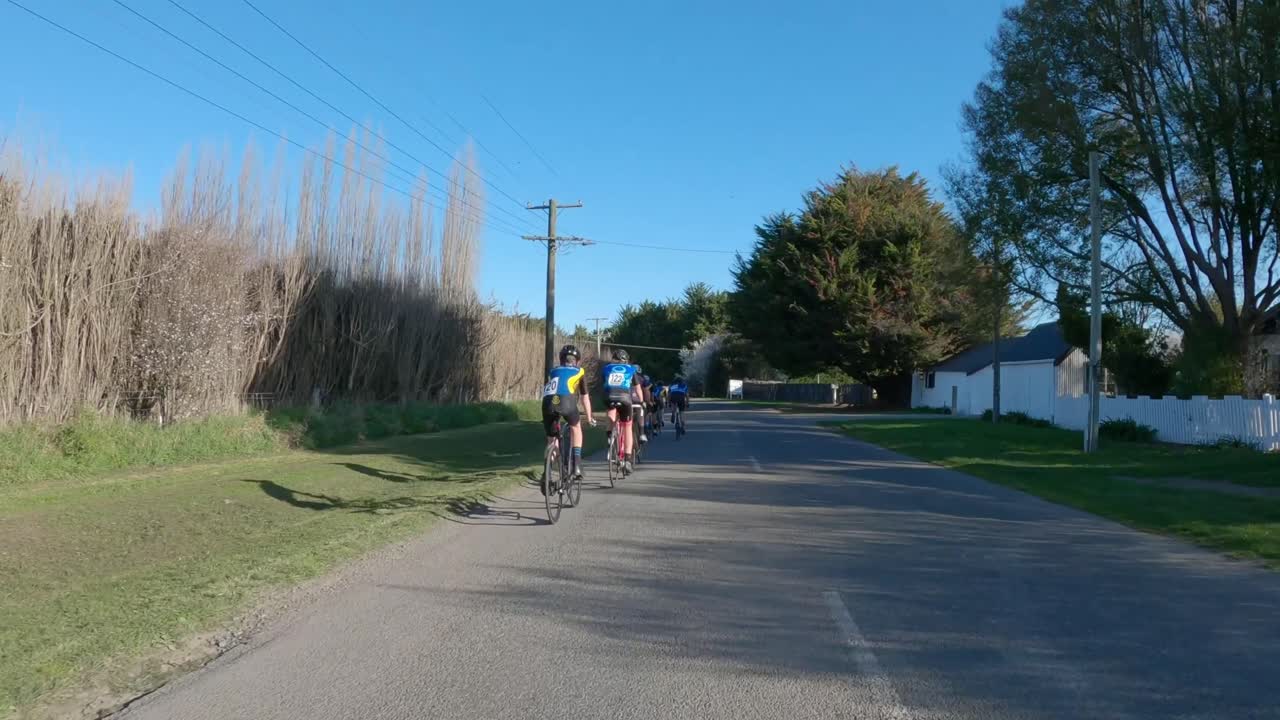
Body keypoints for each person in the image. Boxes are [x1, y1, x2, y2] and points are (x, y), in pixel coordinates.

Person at [541, 344, 596, 491]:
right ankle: (577, 464)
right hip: (567, 402)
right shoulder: (579, 371)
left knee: (552, 440)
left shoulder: (553, 370)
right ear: (577, 361)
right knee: (576, 427)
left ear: (561, 359)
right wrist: (589, 417)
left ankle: (546, 473)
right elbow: (584, 398)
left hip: (547, 404)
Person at [601, 349, 639, 473]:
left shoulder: (607, 368)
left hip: (609, 396)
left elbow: (604, 383)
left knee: (611, 409)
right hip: (625, 398)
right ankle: (627, 460)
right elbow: (638, 388)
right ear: (626, 360)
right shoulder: (631, 369)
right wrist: (642, 402)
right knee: (627, 427)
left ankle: (609, 434)